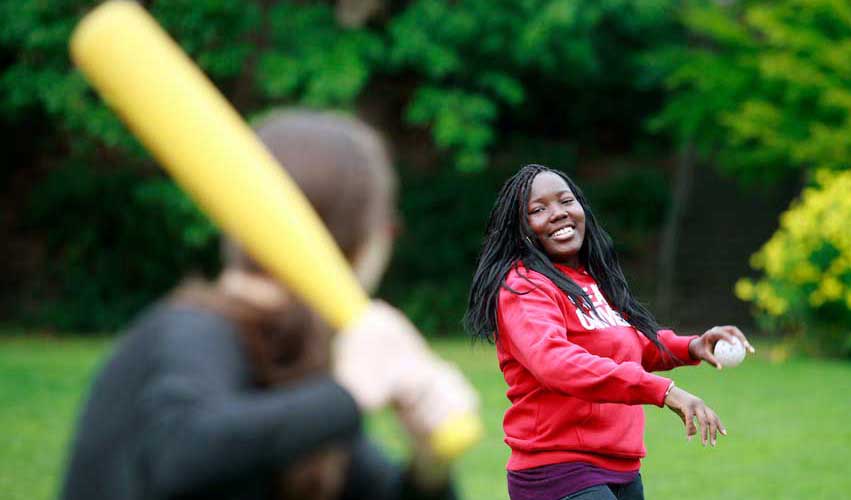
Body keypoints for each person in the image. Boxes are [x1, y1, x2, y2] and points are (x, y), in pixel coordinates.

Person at [60, 110, 477, 500]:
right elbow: (180, 457)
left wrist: (430, 464)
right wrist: (348, 395)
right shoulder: (191, 331)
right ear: (368, 241)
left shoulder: (297, 357)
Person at [463, 164, 754, 500]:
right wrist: (665, 391)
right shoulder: (524, 287)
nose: (558, 214)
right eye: (538, 210)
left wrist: (692, 346)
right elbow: (556, 362)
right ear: (521, 229)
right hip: (557, 471)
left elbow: (631, 345)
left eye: (565, 201)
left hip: (622, 466)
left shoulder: (591, 281)